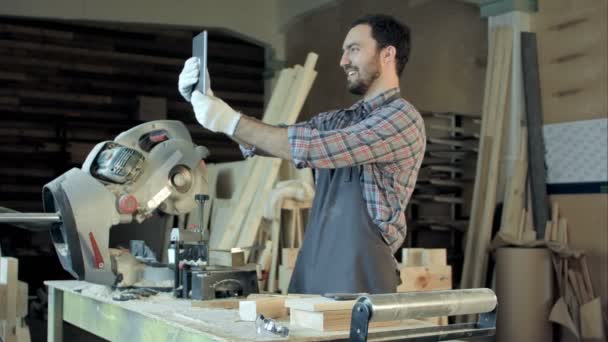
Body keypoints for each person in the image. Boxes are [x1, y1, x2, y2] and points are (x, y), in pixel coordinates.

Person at [178, 14, 426, 294]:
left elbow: (318, 148)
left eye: (353, 49)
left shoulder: (402, 118)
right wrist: (212, 106)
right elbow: (273, 139)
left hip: (361, 277)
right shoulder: (339, 121)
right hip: (315, 267)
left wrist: (229, 120)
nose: (343, 61)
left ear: (387, 54)